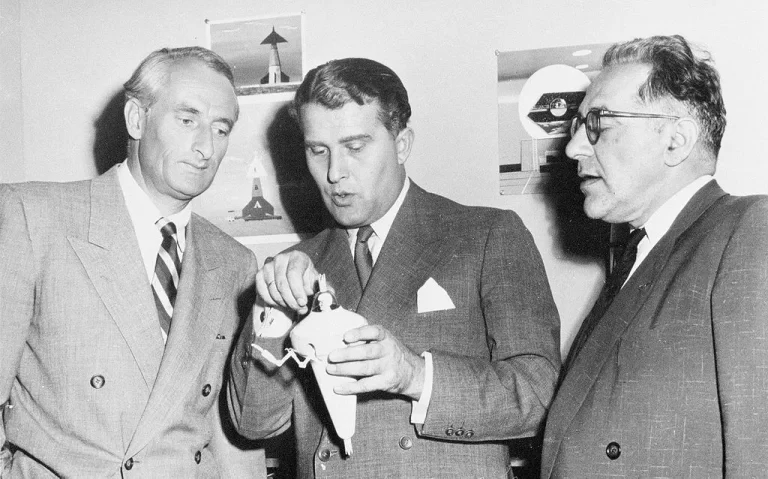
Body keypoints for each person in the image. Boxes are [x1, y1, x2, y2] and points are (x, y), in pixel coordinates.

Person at [227, 57, 561, 478]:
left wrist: (415, 376)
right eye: (318, 151)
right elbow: (252, 424)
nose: (334, 173)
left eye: (355, 147)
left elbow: (538, 393)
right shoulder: (298, 267)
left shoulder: (487, 235)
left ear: (402, 144)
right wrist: (271, 310)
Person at [0, 46, 257, 476]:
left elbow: (228, 434)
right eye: (187, 119)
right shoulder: (33, 216)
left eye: (221, 129)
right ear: (136, 119)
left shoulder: (234, 263)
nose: (205, 147)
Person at [540, 35, 768, 477]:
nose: (573, 149)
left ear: (676, 140)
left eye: (599, 124)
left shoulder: (747, 232)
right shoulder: (636, 258)